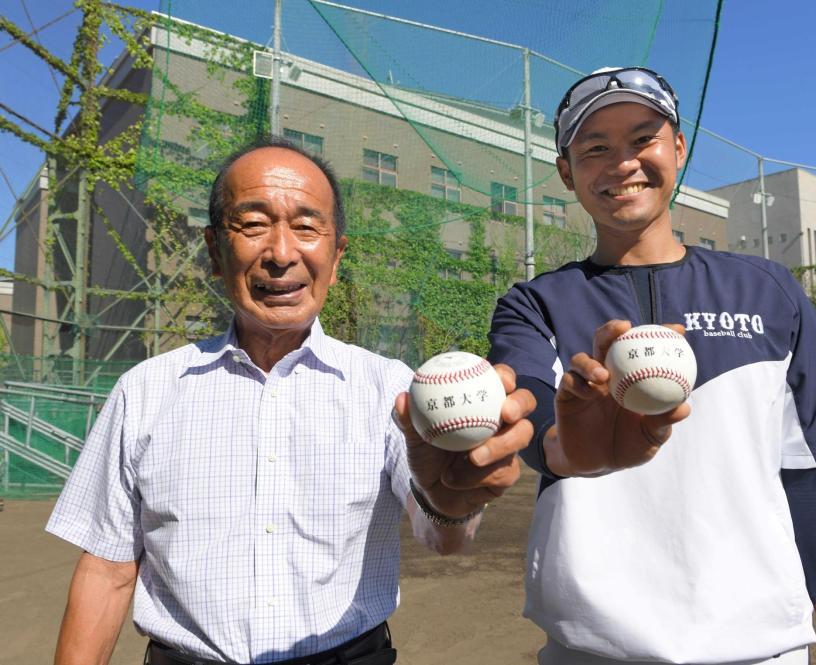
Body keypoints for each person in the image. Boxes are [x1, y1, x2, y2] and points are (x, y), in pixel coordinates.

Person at [46, 138, 534, 665]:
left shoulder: (389, 388)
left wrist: (453, 502)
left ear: (336, 254)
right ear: (214, 250)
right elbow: (107, 569)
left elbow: (440, 536)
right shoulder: (145, 391)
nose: (281, 254)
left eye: (306, 227)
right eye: (253, 224)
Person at [488, 67, 816, 664]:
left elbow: (812, 473)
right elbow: (533, 424)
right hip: (592, 650)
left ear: (678, 148)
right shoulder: (535, 304)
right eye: (594, 149)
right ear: (567, 172)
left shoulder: (769, 292)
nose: (623, 163)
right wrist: (567, 451)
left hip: (761, 648)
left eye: (643, 139)